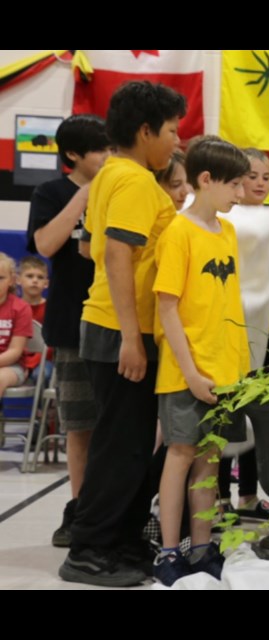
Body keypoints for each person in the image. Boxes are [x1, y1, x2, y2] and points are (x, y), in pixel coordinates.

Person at [59, 80, 186, 588]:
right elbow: (112, 253)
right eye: (172, 131)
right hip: (120, 331)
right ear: (145, 130)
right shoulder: (132, 180)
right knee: (121, 447)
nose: (177, 141)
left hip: (116, 323)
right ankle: (89, 548)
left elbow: (89, 245)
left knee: (130, 446)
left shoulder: (113, 174)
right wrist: (132, 338)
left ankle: (120, 538)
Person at [152, 136, 250, 586]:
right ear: (206, 180)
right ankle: (169, 551)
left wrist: (239, 365)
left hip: (226, 370)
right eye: (234, 185)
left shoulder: (227, 232)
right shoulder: (178, 231)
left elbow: (226, 301)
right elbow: (168, 306)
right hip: (185, 371)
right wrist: (190, 372)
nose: (240, 194)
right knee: (180, 454)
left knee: (211, 459)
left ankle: (202, 546)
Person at [25, 114, 108, 548]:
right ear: (73, 154)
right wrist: (85, 196)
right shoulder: (51, 192)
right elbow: (44, 246)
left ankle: (110, 509)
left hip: (118, 321)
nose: (108, 156)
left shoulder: (124, 186)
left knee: (117, 425)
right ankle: (78, 510)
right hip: (71, 324)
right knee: (80, 425)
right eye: (100, 150)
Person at [217, 147, 269, 521]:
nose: (258, 183)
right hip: (227, 331)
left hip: (264, 330)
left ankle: (250, 496)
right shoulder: (226, 219)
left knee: (256, 413)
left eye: (266, 177)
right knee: (227, 415)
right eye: (251, 176)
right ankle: (222, 495)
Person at [0, 253, 33, 397]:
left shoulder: (21, 308)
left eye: (0, 278)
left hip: (12, 366)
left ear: (12, 281)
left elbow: (15, 351)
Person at [18, 255, 52, 382]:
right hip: (16, 359)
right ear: (18, 280)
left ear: (46, 284)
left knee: (43, 375)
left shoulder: (50, 309)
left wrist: (31, 363)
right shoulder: (13, 308)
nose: (35, 281)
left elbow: (51, 344)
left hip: (44, 360)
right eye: (30, 276)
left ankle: (45, 403)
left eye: (40, 277)